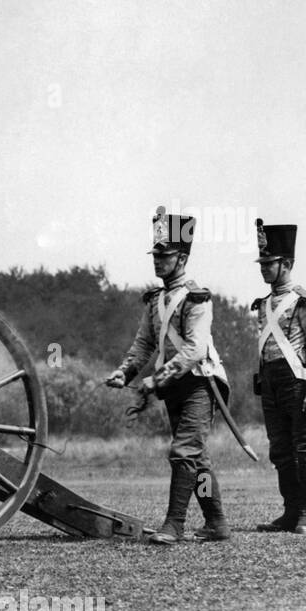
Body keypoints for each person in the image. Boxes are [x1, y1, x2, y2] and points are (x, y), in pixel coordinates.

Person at [104, 207, 231, 544]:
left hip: (201, 383)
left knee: (185, 452)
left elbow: (194, 350)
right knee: (197, 460)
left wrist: (156, 380)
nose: (158, 262)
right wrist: (124, 372)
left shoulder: (197, 299)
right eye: (156, 255)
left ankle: (173, 525)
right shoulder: (155, 300)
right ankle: (216, 523)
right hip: (175, 386)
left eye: (166, 255)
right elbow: (142, 345)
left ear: (183, 258)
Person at [250, 219, 306, 533]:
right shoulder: (264, 304)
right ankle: (291, 511)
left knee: (304, 448)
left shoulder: (304, 300)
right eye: (263, 263)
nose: (264, 268)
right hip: (271, 383)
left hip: (298, 384)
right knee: (280, 450)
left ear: (287, 263)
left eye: (270, 263)